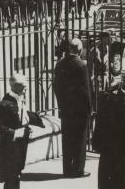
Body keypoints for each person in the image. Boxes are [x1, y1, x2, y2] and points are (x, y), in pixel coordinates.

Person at [0, 74, 45, 189]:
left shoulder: (19, 99)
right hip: (10, 146)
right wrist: (15, 133)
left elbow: (22, 117)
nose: (26, 89)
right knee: (11, 176)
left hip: (20, 145)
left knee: (17, 173)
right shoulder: (5, 104)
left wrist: (27, 127)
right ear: (15, 86)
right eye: (24, 86)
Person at [53, 38, 92, 178]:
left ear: (69, 49)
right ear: (80, 50)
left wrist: (61, 105)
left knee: (67, 139)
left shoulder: (60, 64)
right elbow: (85, 90)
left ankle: (67, 169)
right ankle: (78, 169)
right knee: (80, 140)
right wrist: (89, 109)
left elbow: (56, 88)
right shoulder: (81, 65)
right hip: (80, 110)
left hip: (66, 109)